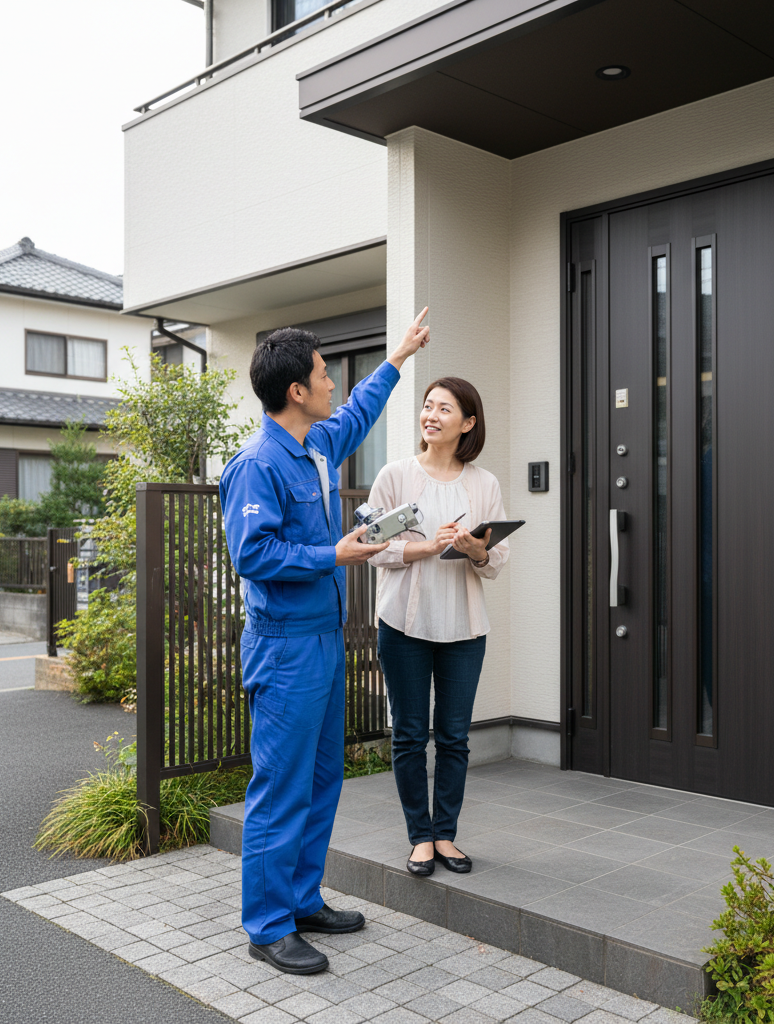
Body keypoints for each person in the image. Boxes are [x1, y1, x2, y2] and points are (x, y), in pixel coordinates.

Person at [219, 310, 430, 974]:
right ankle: (267, 925)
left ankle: (301, 901)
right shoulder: (257, 464)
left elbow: (358, 413)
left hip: (323, 641)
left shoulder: (312, 445)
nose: (332, 384)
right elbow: (253, 554)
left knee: (320, 779)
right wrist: (332, 555)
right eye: (322, 375)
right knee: (281, 786)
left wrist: (397, 357)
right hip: (284, 646)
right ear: (296, 391)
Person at [367, 377, 509, 876]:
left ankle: (445, 834)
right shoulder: (395, 475)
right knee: (409, 736)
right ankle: (419, 837)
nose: (430, 415)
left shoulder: (484, 484)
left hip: (464, 629)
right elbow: (371, 547)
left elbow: (497, 561)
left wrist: (477, 551)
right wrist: (428, 546)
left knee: (453, 738)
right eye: (428, 406)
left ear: (468, 423)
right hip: (402, 626)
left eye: (444, 409)